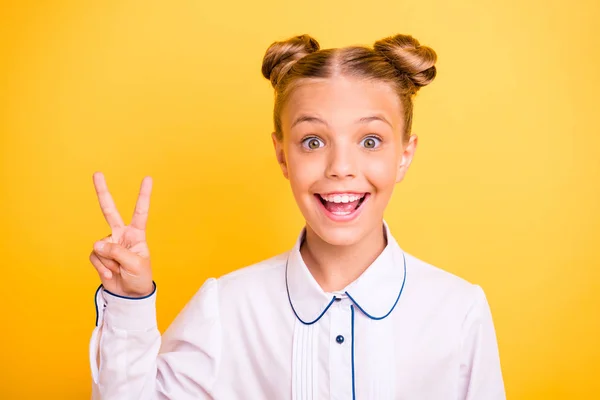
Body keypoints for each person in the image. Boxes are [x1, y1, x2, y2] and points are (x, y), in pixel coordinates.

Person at [88, 33, 506, 399]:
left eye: (371, 140)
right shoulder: (226, 306)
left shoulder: (458, 310)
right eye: (312, 141)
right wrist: (128, 303)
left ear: (405, 155)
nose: (340, 167)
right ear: (281, 154)